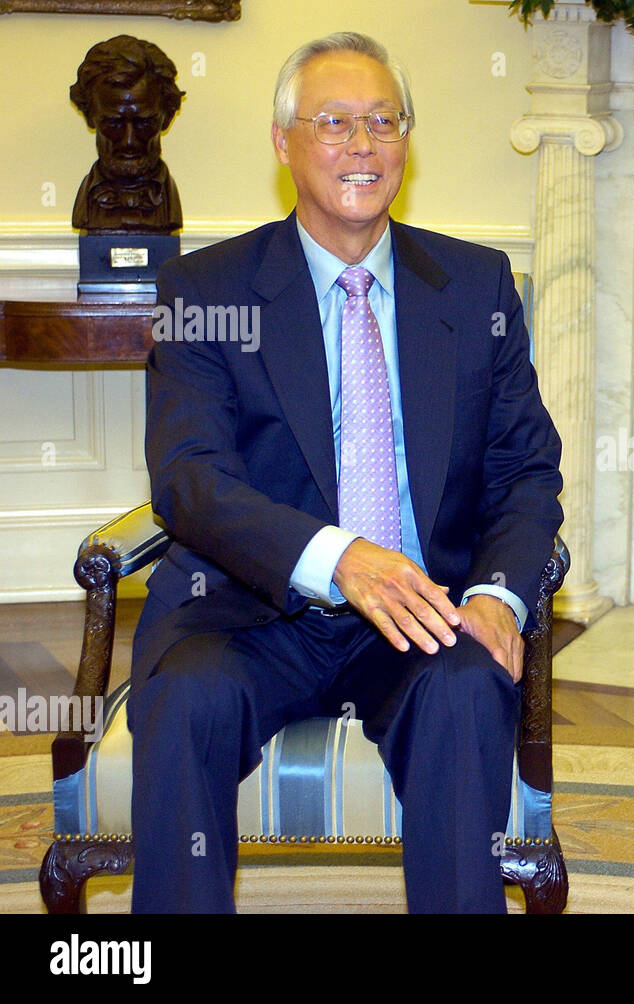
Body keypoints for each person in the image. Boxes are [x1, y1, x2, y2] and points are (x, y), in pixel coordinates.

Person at [128, 32, 563, 913]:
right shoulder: (208, 292)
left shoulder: (475, 287)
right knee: (186, 703)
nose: (361, 145)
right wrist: (339, 559)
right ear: (284, 142)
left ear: (408, 141)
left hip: (423, 611)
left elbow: (526, 470)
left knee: (468, 687)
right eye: (333, 122)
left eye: (383, 122)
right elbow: (189, 477)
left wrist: (497, 597)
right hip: (248, 610)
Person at [70, 34, 185, 233]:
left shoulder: (168, 203)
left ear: (166, 117)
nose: (129, 141)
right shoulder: (86, 208)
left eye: (144, 123)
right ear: (90, 116)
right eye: (114, 124)